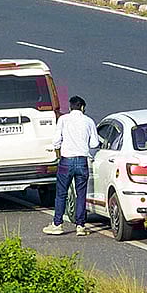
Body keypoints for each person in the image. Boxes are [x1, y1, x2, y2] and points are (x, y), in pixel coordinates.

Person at [43, 95, 99, 237]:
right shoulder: (89, 121)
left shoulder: (63, 119)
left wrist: (58, 148)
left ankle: (57, 224)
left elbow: (56, 140)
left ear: (70, 107)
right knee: (81, 194)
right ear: (82, 107)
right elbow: (94, 143)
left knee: (61, 193)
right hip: (82, 161)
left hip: (66, 161)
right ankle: (80, 225)